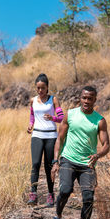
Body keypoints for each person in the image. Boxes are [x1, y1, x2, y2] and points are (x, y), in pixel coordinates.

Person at [49, 85, 110, 219]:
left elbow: (106, 145)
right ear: (80, 98)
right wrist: (56, 161)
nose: (86, 101)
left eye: (90, 98)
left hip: (87, 164)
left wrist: (98, 155)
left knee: (88, 199)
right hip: (68, 159)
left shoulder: (100, 120)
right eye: (84, 98)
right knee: (65, 190)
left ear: (95, 100)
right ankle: (57, 215)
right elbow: (60, 138)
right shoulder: (70, 115)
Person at [27, 73, 64, 206]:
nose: (40, 91)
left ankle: (50, 194)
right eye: (38, 88)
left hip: (51, 136)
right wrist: (31, 125)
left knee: (49, 167)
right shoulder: (33, 100)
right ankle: (33, 194)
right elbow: (32, 115)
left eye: (42, 88)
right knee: (35, 164)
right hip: (37, 135)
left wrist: (52, 118)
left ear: (47, 87)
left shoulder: (53, 100)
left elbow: (61, 118)